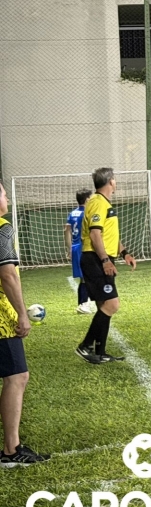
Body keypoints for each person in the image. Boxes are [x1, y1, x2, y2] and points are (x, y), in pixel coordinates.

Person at [0, 181, 49, 467]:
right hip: (0, 317)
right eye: (3, 193)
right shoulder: (2, 228)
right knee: (17, 376)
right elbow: (7, 274)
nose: (7, 198)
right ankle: (11, 450)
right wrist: (21, 313)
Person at [75, 168, 137, 365]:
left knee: (104, 305)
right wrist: (105, 261)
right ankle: (85, 346)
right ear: (111, 181)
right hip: (95, 259)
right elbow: (95, 235)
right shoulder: (98, 203)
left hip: (100, 257)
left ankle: (100, 352)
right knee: (112, 304)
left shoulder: (103, 202)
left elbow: (109, 235)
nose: (116, 182)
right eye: (115, 179)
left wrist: (124, 253)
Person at [64, 188, 94, 314]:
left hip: (75, 247)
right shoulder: (88, 213)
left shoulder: (73, 213)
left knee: (84, 277)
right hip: (84, 247)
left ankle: (85, 303)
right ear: (87, 199)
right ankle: (83, 304)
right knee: (87, 276)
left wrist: (69, 248)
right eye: (91, 197)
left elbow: (66, 230)